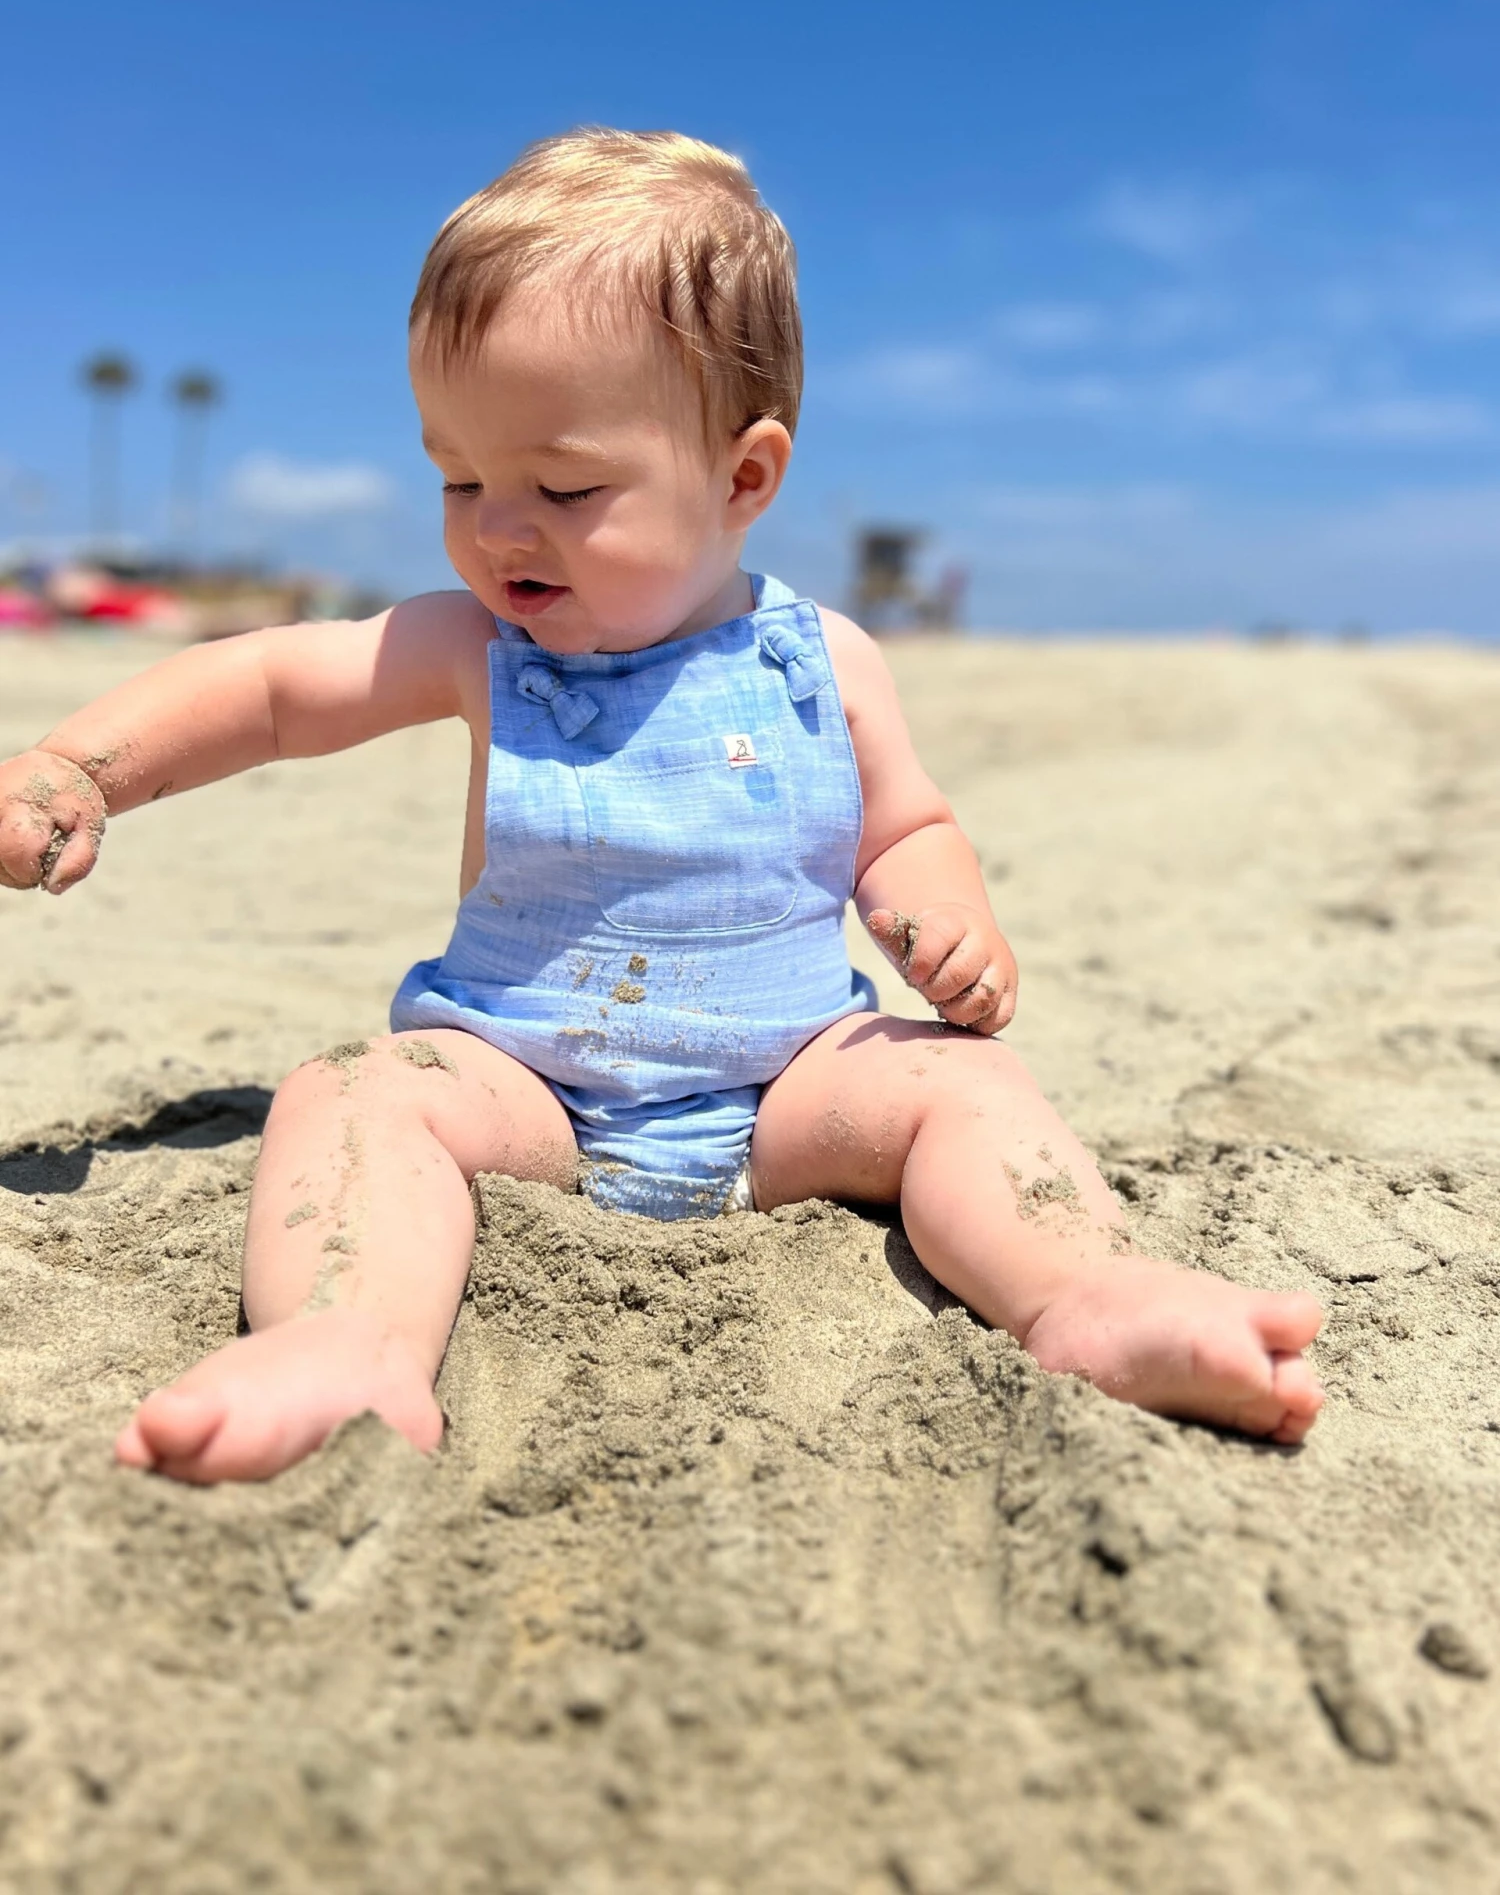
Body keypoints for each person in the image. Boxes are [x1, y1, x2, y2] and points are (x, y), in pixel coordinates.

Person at [0, 130, 1323, 1483]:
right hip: (528, 1088)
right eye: (460, 478)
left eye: (563, 488)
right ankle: (346, 1341)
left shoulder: (825, 661)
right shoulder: (479, 648)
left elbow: (906, 825)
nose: (497, 527)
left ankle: (1083, 1292)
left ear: (743, 478)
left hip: (787, 1091)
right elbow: (278, 687)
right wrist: (84, 766)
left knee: (967, 1087)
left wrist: (940, 914)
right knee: (357, 1095)